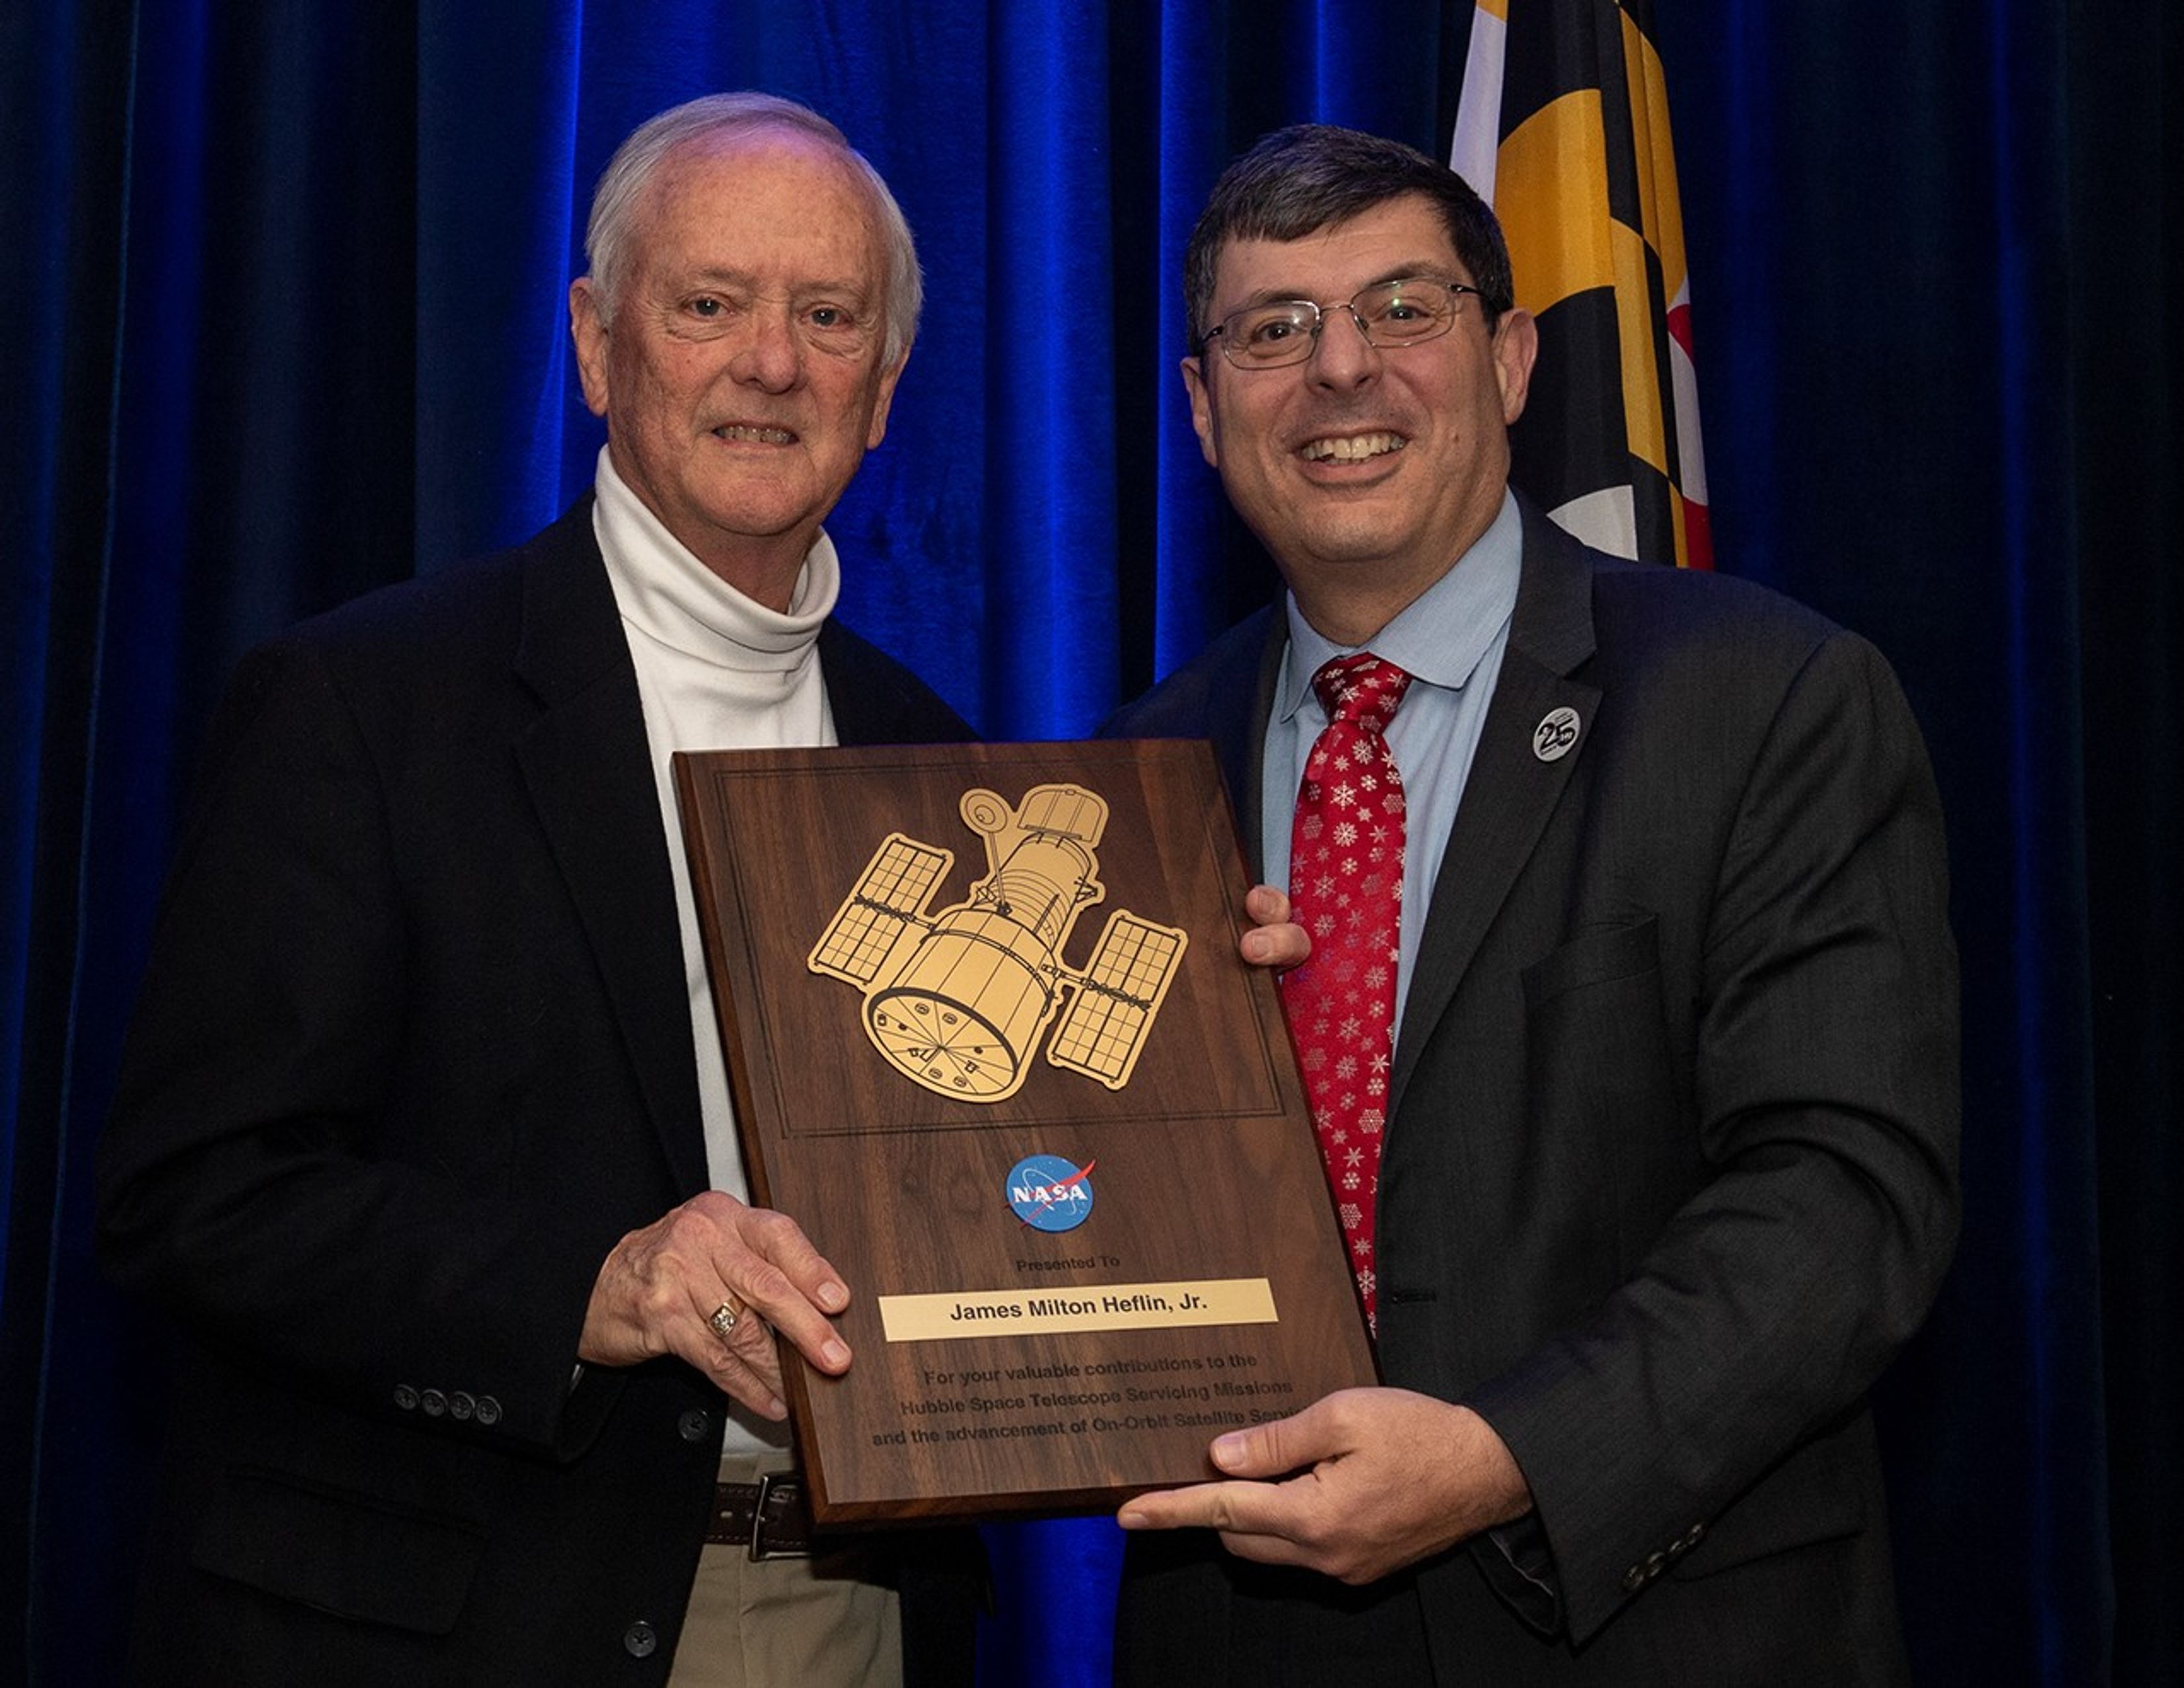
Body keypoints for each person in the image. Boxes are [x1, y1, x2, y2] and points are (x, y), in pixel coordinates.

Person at [97, 91, 1310, 1687]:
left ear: (884, 394)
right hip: (457, 1621)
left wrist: (1202, 1066)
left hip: (851, 1611)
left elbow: (1008, 1195)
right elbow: (195, 1200)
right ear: (599, 348)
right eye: (709, 305)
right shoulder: (365, 707)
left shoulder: (940, 763)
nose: (770, 361)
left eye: (827, 318)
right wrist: (585, 1289)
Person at [1107, 124, 1960, 1685]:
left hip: (1656, 1629)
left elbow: (1848, 1200)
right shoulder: (1131, 777)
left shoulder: (1764, 700)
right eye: (1273, 329)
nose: (1342, 372)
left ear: (1509, 361)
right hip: (1242, 1643)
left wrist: (1505, 1455)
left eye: (1403, 310)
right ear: (1202, 403)